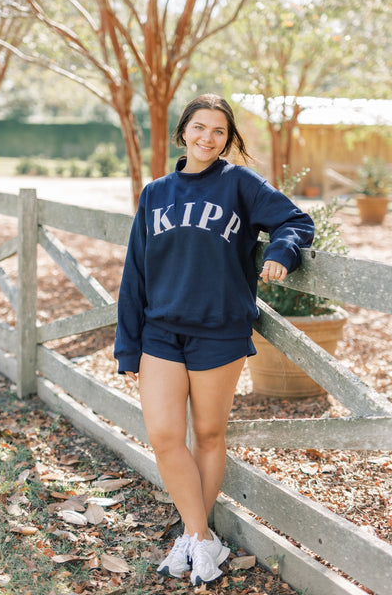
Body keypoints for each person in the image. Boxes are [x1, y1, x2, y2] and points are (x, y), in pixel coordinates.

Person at [114, 93, 314, 586]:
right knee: (163, 435)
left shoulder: (240, 184)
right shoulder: (155, 192)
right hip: (161, 330)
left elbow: (297, 221)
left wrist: (283, 253)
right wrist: (128, 342)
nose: (208, 138)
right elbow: (135, 271)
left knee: (207, 434)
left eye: (219, 132)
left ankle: (192, 540)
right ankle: (202, 537)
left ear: (229, 140)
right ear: (184, 131)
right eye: (199, 128)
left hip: (220, 329)